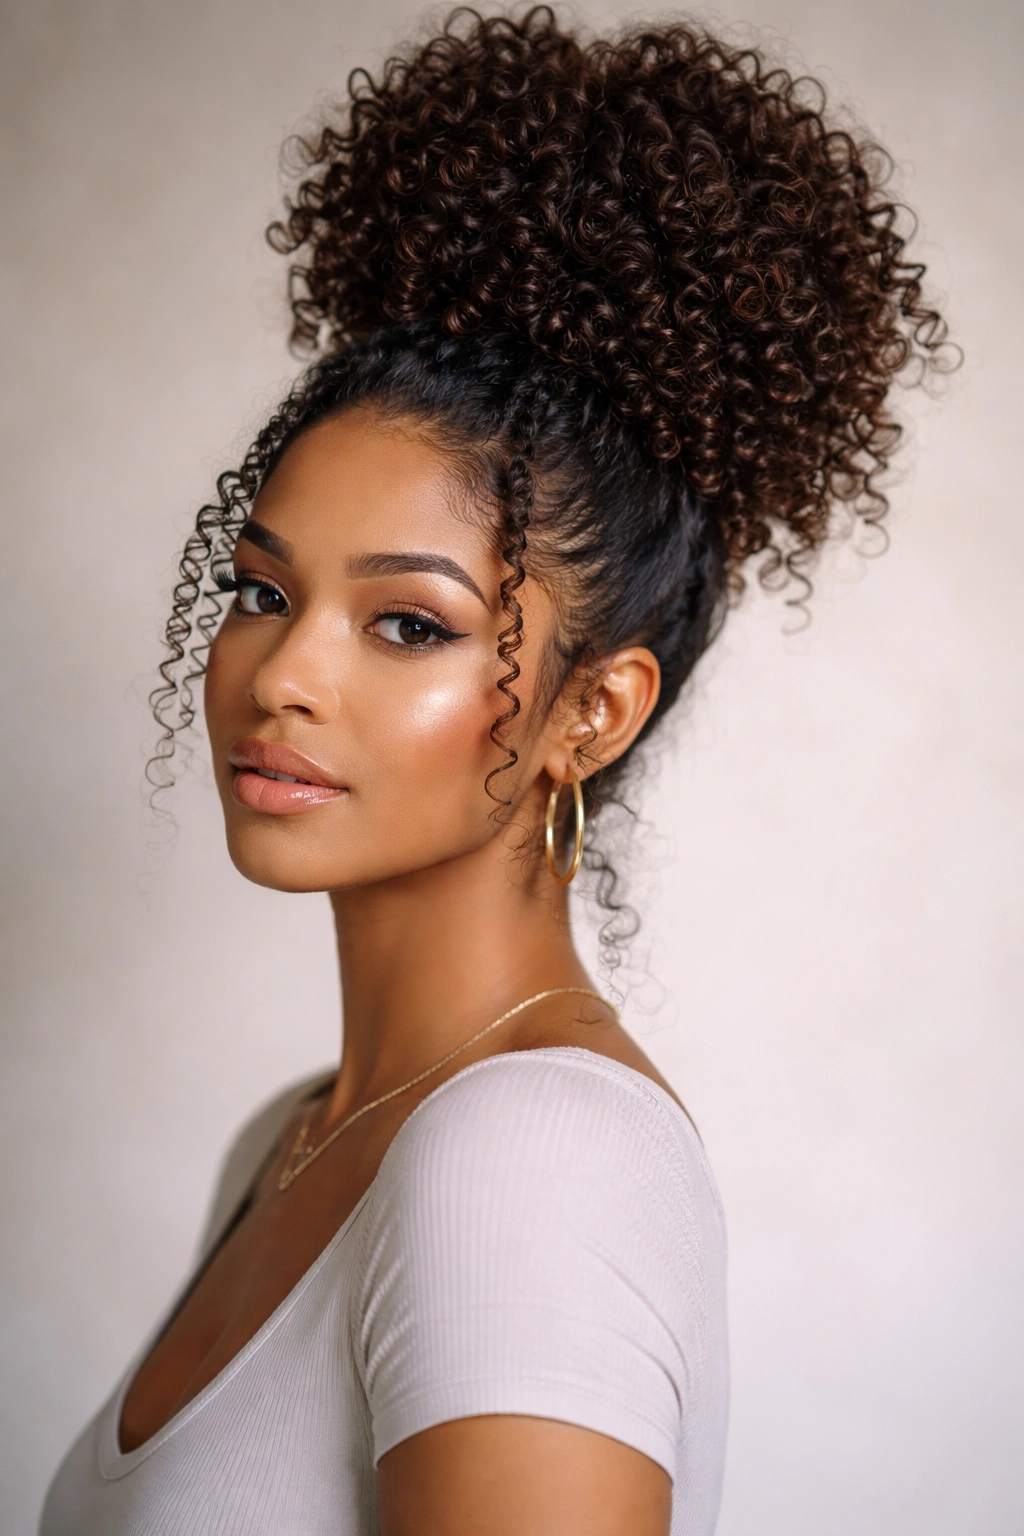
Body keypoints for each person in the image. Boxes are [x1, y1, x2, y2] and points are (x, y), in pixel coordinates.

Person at [40, 8, 948, 1534]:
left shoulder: (531, 1159)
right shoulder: (294, 1139)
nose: (283, 676)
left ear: (593, 713)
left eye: (407, 623)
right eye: (264, 592)